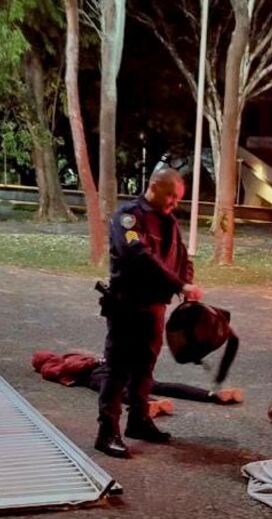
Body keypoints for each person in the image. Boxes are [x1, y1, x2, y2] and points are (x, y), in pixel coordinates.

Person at [94, 168, 203, 459]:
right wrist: (180, 284)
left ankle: (139, 421)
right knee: (117, 369)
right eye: (171, 196)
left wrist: (185, 282)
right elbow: (138, 256)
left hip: (155, 307)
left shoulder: (169, 221)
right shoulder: (129, 217)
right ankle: (107, 431)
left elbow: (181, 256)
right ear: (154, 186)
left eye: (178, 198)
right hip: (127, 305)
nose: (174, 203)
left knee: (145, 367)